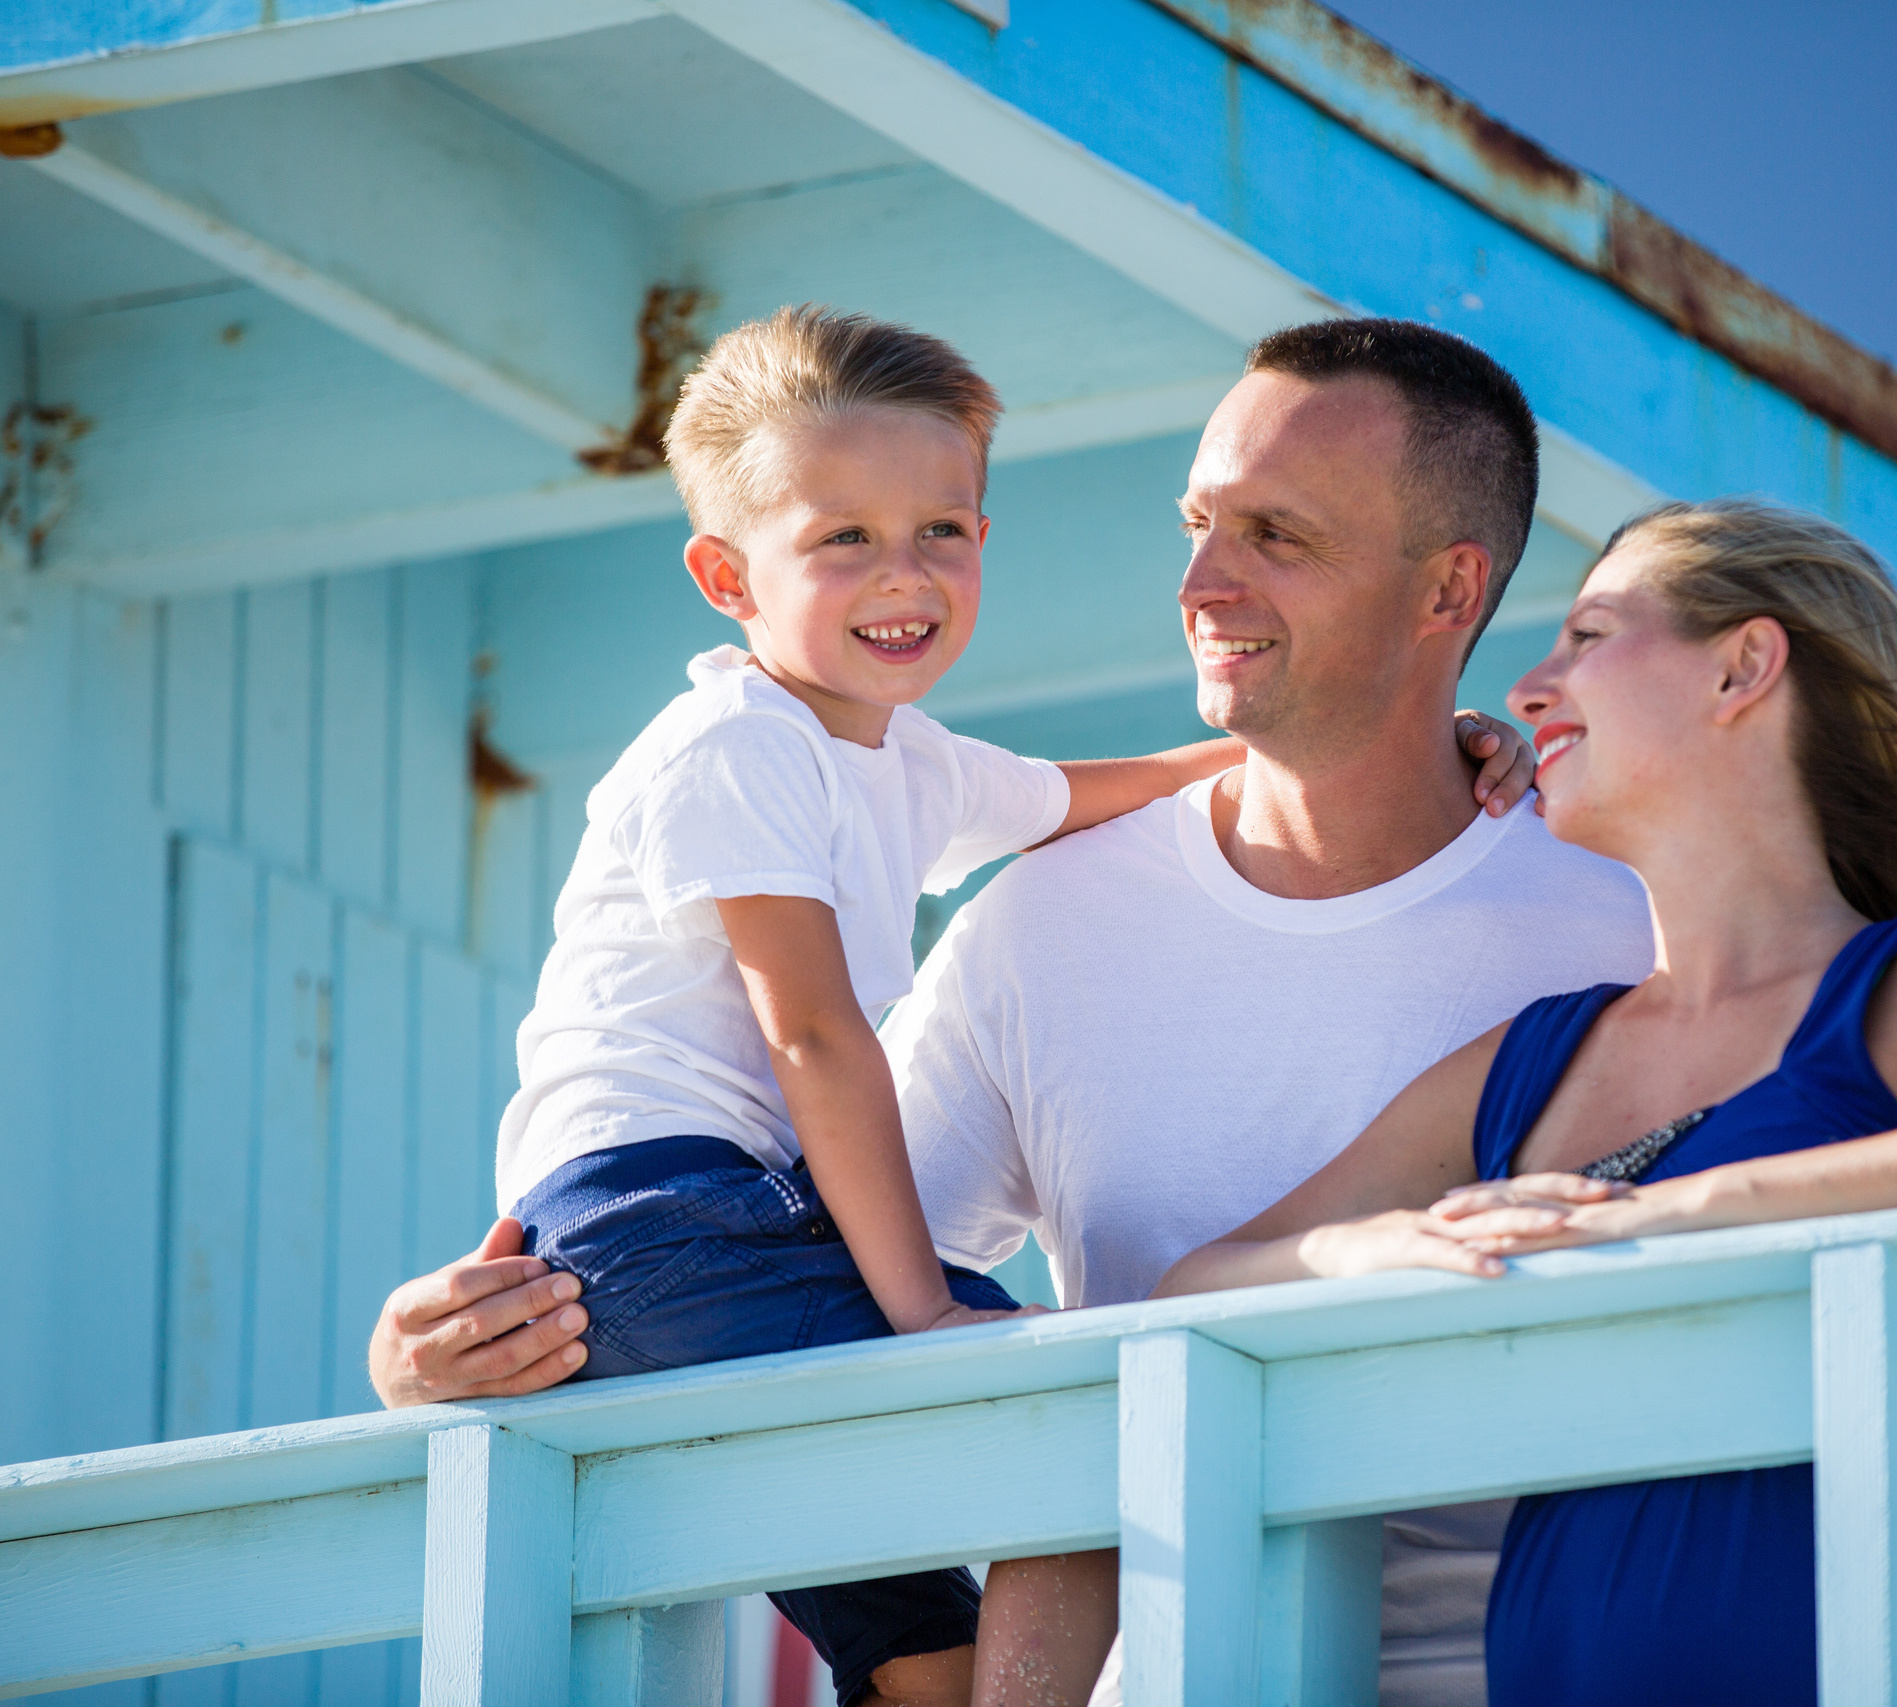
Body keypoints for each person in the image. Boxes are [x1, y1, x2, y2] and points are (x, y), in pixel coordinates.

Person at [371, 320, 1897, 1707]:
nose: (1204, 580)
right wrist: (449, 1351)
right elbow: (778, 1258)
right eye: (1198, 525)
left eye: (1276, 536)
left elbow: (1895, 1217)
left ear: (1452, 590)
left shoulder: (1631, 903)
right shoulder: (1034, 925)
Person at [482, 303, 1535, 1707]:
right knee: (1076, 1390)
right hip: (663, 1215)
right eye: (841, 536)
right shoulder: (736, 744)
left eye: (946, 529)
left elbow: (1107, 784)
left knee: (922, 1630)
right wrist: (918, 1303)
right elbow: (810, 1035)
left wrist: (1431, 750)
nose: (901, 572)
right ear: (727, 575)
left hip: (703, 1234)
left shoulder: (902, 761)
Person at [1157, 499, 1897, 1705]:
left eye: (1588, 635)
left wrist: (1664, 1220)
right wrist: (1388, 1247)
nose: (1530, 689)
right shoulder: (1530, 1061)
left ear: (1742, 667)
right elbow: (1199, 1284)